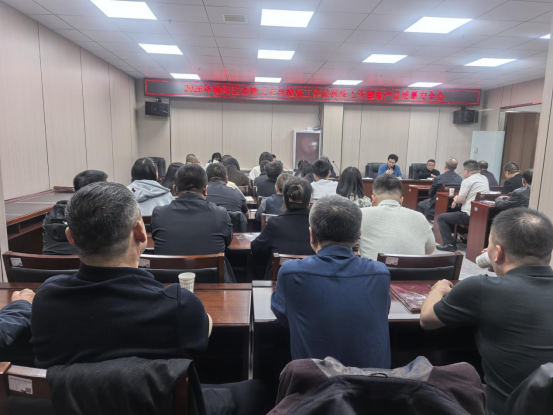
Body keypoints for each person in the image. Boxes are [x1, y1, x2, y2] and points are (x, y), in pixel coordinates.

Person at [31, 182, 271, 414]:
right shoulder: (179, 305)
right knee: (258, 391)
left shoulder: (45, 300)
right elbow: (204, 326)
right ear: (140, 232)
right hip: (162, 406)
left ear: (70, 237)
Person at [420, 208, 553, 415]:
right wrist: (502, 270)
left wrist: (438, 289)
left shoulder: (479, 288)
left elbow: (427, 320)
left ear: (497, 253)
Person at [271, 195, 391, 368]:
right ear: (358, 236)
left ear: (311, 235)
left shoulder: (291, 272)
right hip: (374, 383)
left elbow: (282, 316)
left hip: (316, 383)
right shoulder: (380, 273)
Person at [151, 164, 233, 259]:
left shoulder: (159, 214)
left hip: (167, 269)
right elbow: (227, 243)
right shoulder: (221, 215)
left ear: (175, 189)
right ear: (206, 190)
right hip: (210, 269)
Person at [359, 175, 435, 260]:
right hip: (413, 268)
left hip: (374, 268)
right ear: (401, 200)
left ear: (373, 199)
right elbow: (430, 250)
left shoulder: (361, 214)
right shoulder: (420, 217)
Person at [252, 177, 314, 279]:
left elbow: (255, 248)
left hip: (280, 280)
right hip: (312, 280)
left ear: (284, 199)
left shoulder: (274, 224)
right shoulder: (318, 226)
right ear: (309, 201)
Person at [43, 170, 108, 255]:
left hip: (47, 262)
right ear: (101, 191)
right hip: (85, 263)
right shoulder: (103, 214)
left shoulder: (55, 212)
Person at [436, 160, 489, 252]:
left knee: (441, 218)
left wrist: (455, 199)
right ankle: (463, 238)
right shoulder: (484, 178)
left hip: (469, 215)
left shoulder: (467, 181)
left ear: (466, 171)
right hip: (482, 214)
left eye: (463, 170)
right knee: (455, 212)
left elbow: (461, 199)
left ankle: (449, 244)